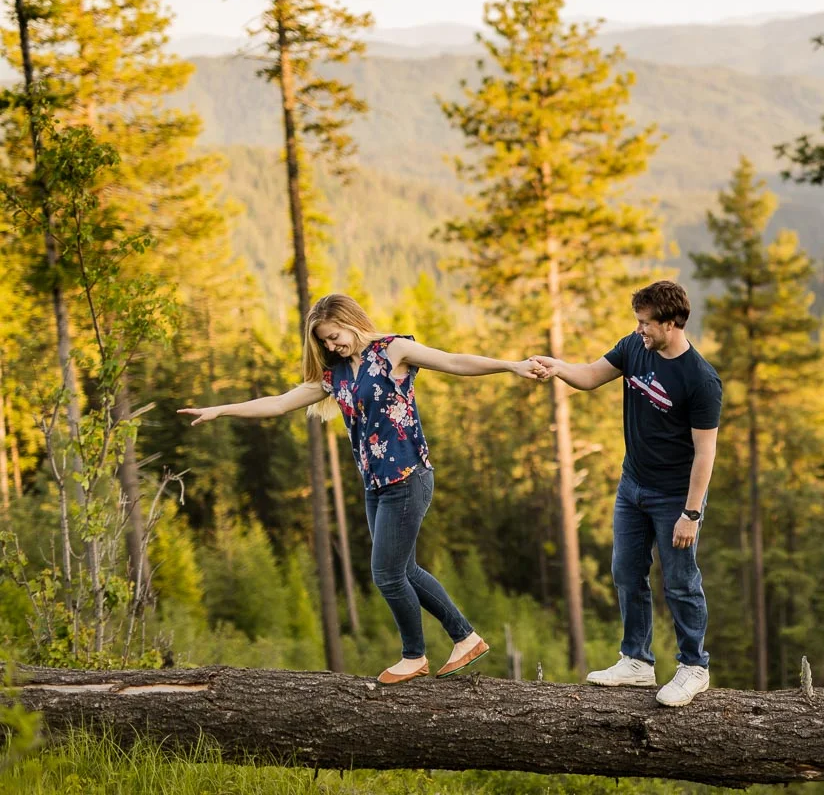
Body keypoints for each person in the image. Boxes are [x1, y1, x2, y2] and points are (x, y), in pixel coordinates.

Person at [179, 293, 541, 684]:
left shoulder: (394, 351)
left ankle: (414, 656)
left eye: (334, 336)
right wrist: (221, 410)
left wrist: (511, 366)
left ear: (351, 322)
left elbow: (454, 361)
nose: (331, 346)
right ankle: (465, 638)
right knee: (405, 569)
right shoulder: (335, 377)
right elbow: (280, 403)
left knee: (386, 574)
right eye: (324, 342)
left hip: (408, 475)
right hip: (376, 485)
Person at [532, 280, 722, 707]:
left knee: (680, 582)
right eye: (637, 322)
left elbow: (705, 453)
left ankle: (694, 667)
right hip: (632, 485)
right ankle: (636, 661)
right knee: (626, 572)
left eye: (646, 324)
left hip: (676, 497)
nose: (639, 330)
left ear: (671, 324)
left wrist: (691, 514)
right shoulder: (634, 348)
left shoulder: (700, 380)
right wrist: (557, 366)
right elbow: (590, 376)